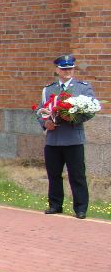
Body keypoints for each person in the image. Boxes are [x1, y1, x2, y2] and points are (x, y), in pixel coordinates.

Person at [38, 54, 95, 219]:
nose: (67, 71)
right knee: (53, 174)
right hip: (53, 139)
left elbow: (91, 109)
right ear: (57, 70)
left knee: (77, 175)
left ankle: (80, 208)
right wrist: (45, 123)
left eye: (70, 68)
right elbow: (40, 110)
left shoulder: (82, 88)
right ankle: (55, 205)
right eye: (63, 69)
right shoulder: (49, 89)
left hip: (73, 138)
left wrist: (74, 118)